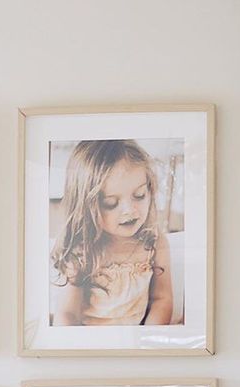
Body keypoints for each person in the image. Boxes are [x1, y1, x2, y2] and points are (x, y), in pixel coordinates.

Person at [50, 139, 173, 327]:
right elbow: (67, 314)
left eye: (139, 195)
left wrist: (149, 343)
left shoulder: (154, 241)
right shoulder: (81, 252)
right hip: (92, 345)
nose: (129, 210)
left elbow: (161, 300)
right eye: (110, 203)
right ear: (85, 208)